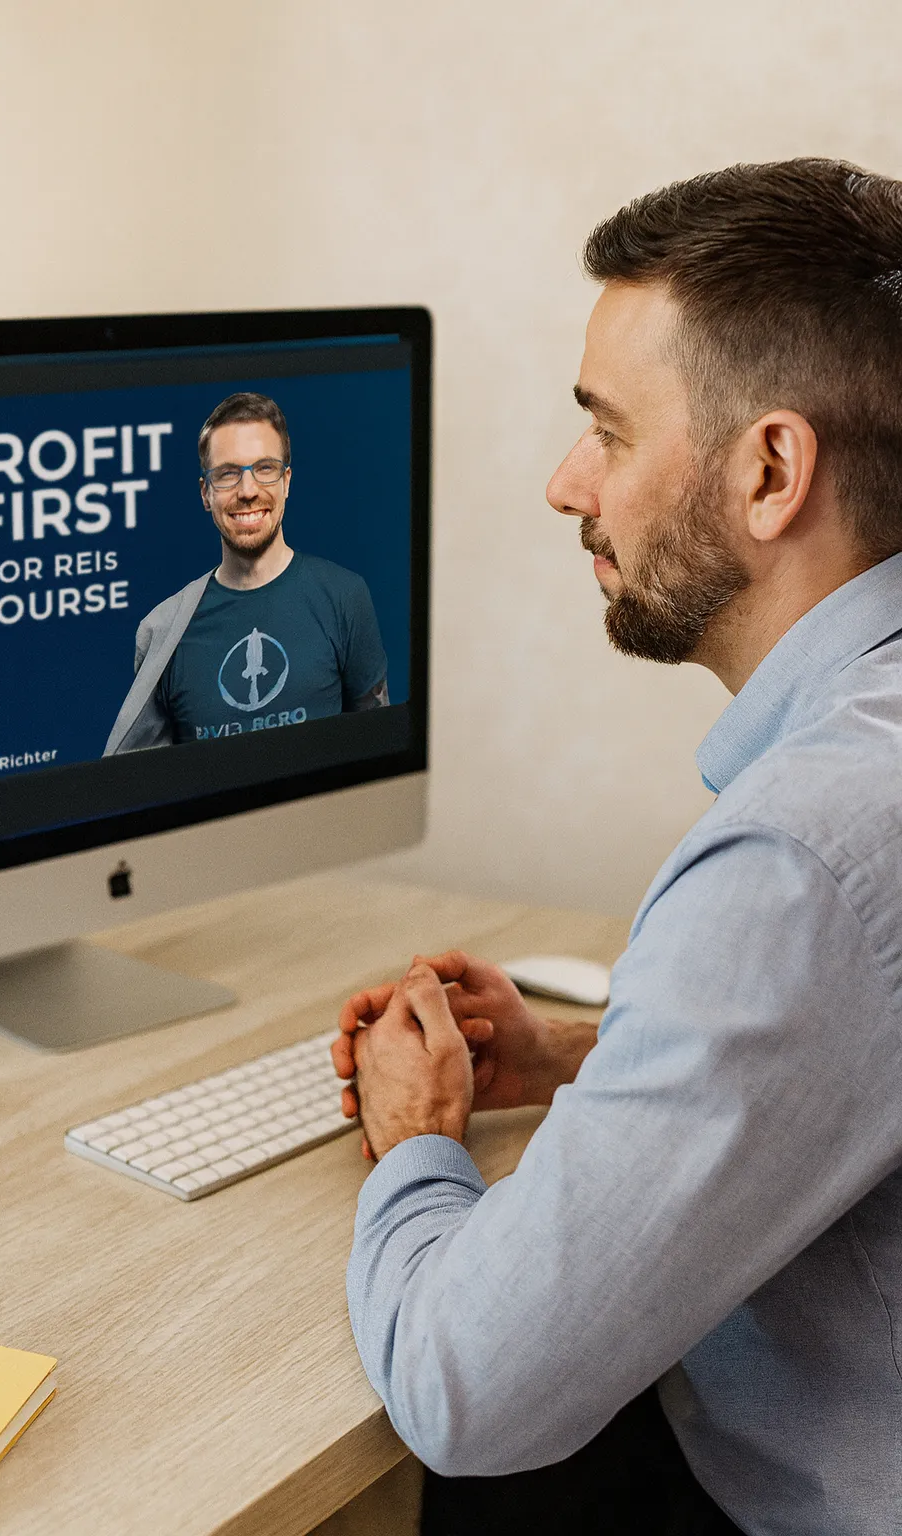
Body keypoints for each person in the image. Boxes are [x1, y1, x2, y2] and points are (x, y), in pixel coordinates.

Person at [332, 159, 902, 1536]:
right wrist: (594, 1058)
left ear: (770, 471)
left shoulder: (803, 858)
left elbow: (469, 1393)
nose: (563, 482)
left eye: (608, 430)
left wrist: (416, 1134)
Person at [103, 392, 387, 753]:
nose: (248, 491)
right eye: (227, 475)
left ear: (286, 481)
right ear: (206, 493)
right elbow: (147, 783)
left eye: (264, 469)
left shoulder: (345, 597)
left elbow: (376, 752)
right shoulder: (163, 632)